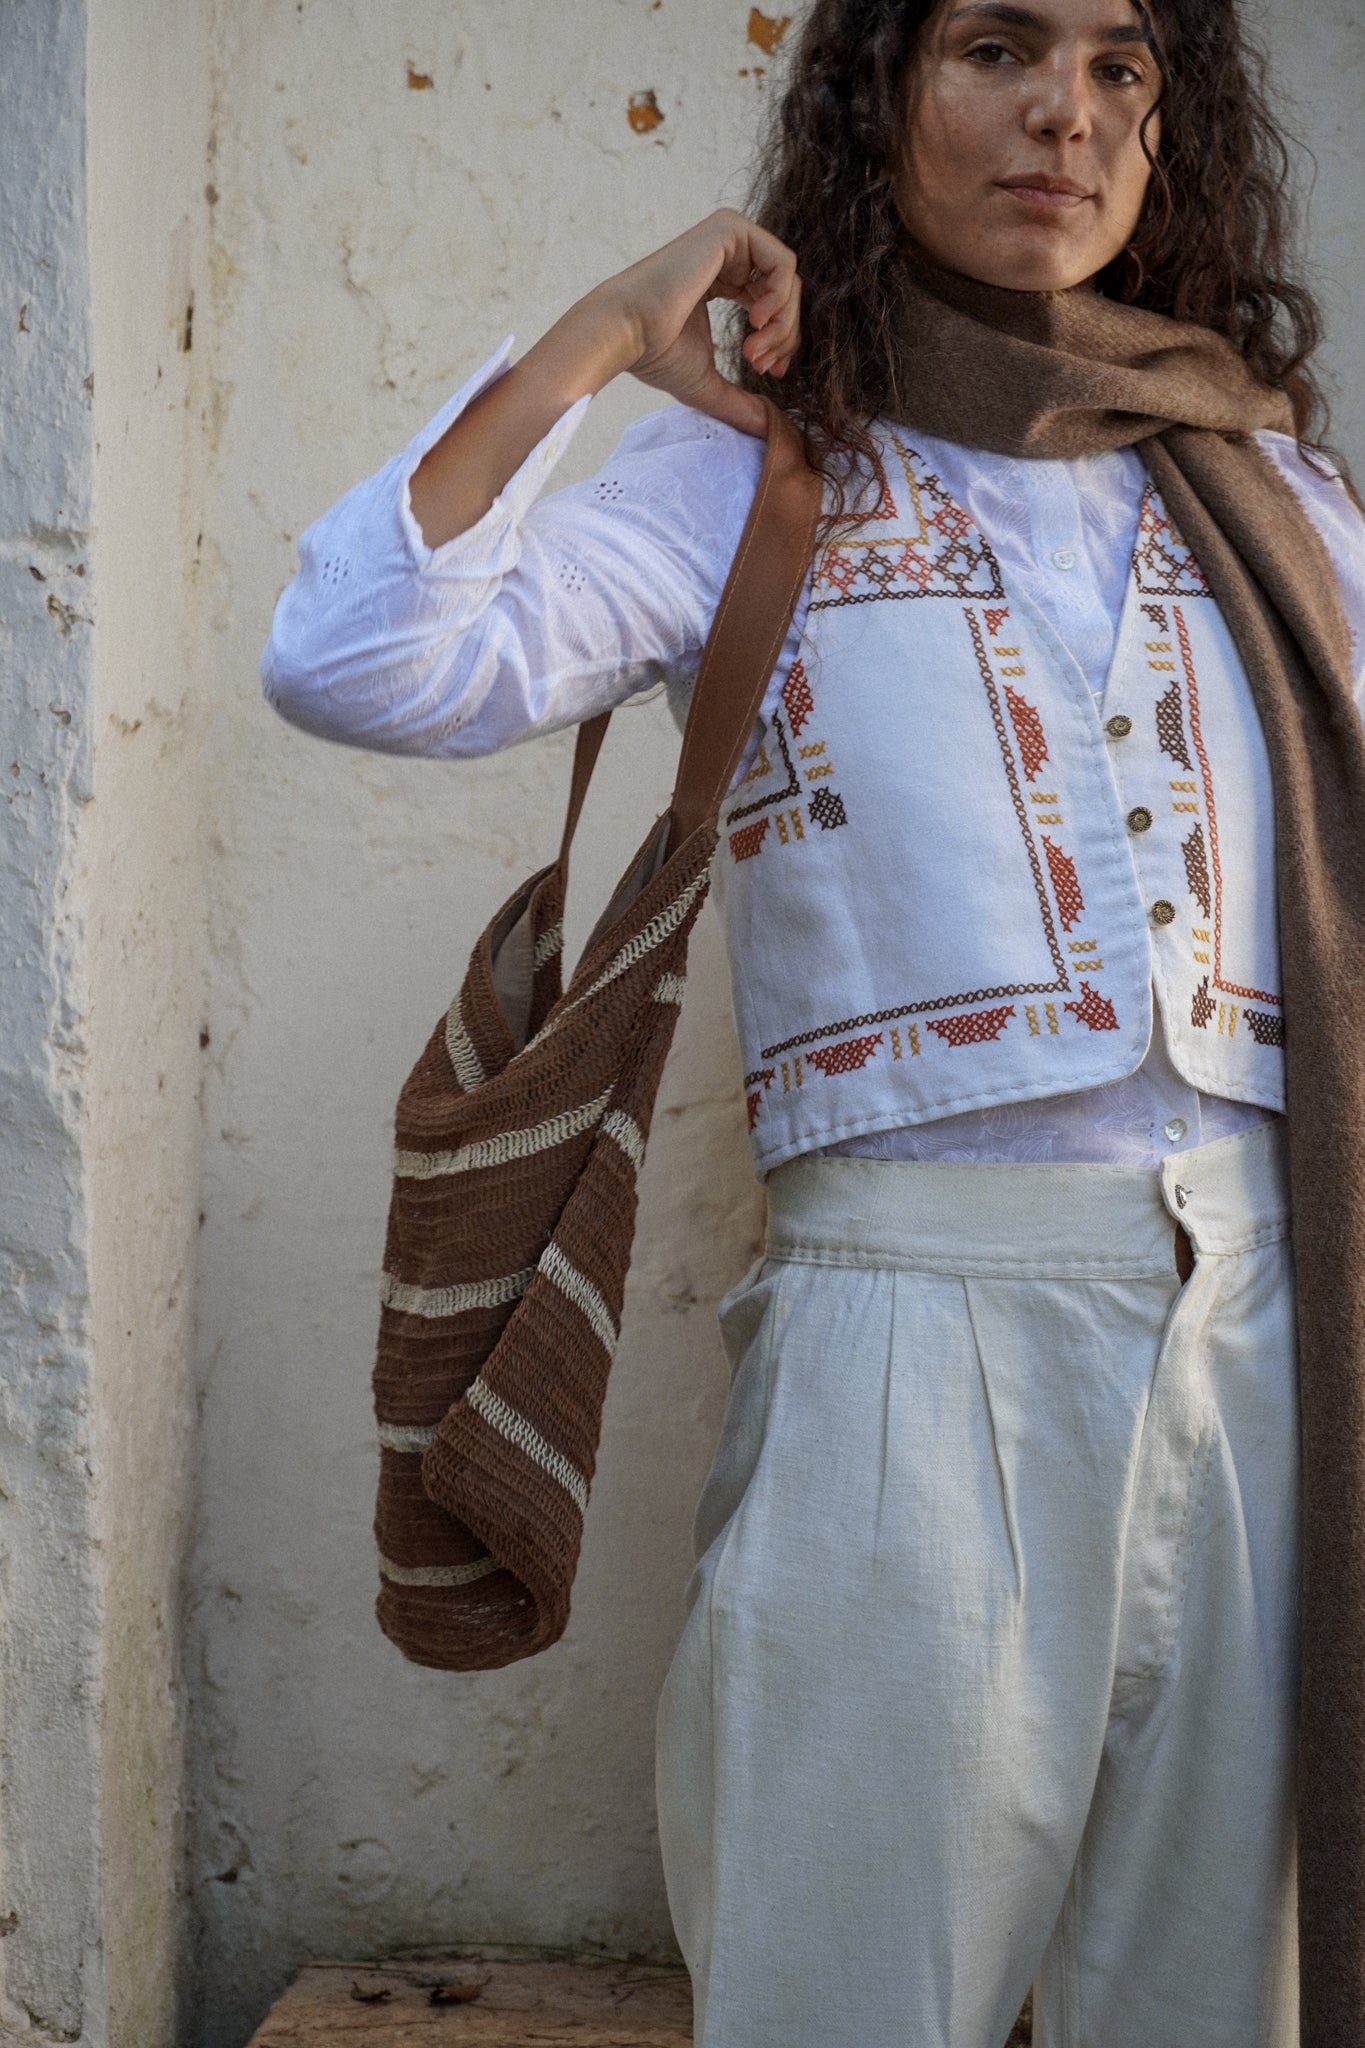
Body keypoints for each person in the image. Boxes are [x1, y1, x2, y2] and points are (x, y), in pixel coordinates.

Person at [262, 1, 1365, 2042]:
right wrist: (608, 330)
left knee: (1212, 2007)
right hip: (908, 1332)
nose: (1063, 114)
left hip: (1263, 1328)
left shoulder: (1259, 484)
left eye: (1119, 67)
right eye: (995, 48)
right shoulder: (754, 467)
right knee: (846, 1993)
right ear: (878, 96)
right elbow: (352, 656)